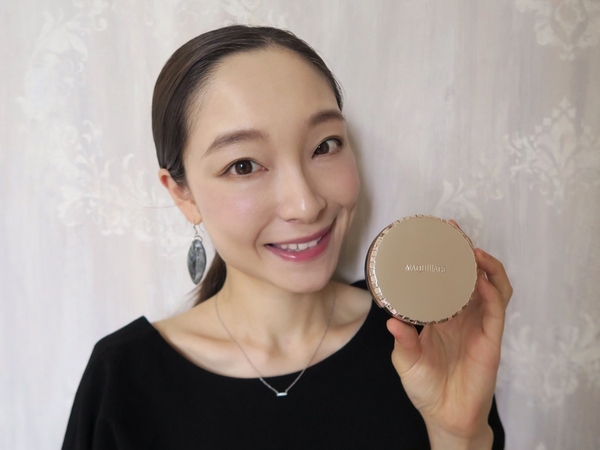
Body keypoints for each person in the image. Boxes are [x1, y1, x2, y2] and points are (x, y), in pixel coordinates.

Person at [62, 24, 512, 449]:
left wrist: (459, 433)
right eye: (244, 166)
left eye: (324, 146)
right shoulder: (122, 379)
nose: (306, 204)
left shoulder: (423, 343)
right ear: (183, 194)